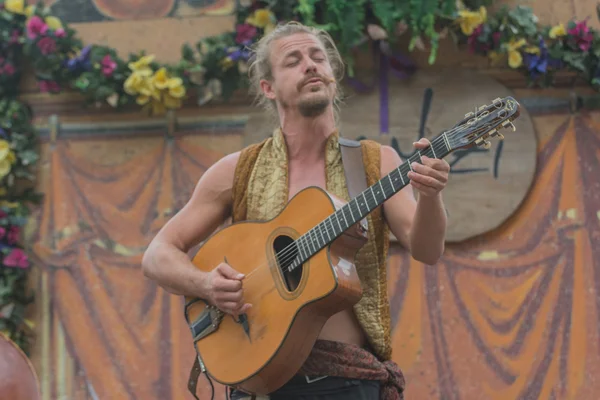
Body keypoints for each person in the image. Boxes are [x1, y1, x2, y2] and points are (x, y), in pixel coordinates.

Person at [142, 21, 449, 400]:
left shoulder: (374, 163)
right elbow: (157, 255)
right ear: (268, 88)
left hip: (347, 383)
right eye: (294, 60)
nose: (310, 65)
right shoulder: (237, 171)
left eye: (318, 57)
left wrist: (431, 196)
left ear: (333, 77)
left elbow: (428, 250)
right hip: (256, 383)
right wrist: (206, 285)